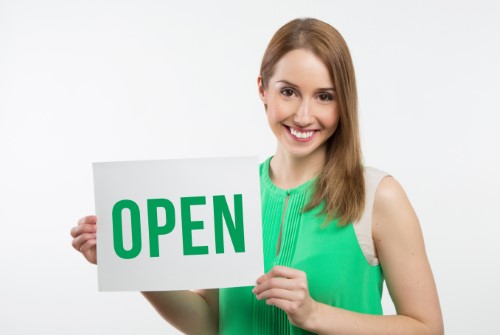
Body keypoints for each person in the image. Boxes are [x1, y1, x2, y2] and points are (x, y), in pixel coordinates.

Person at [71, 18, 444, 335]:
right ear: (263, 90)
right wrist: (130, 263)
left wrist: (315, 314)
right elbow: (211, 321)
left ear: (344, 101)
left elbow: (428, 328)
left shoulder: (379, 196)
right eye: (289, 92)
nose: (303, 115)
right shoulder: (229, 194)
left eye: (325, 97)